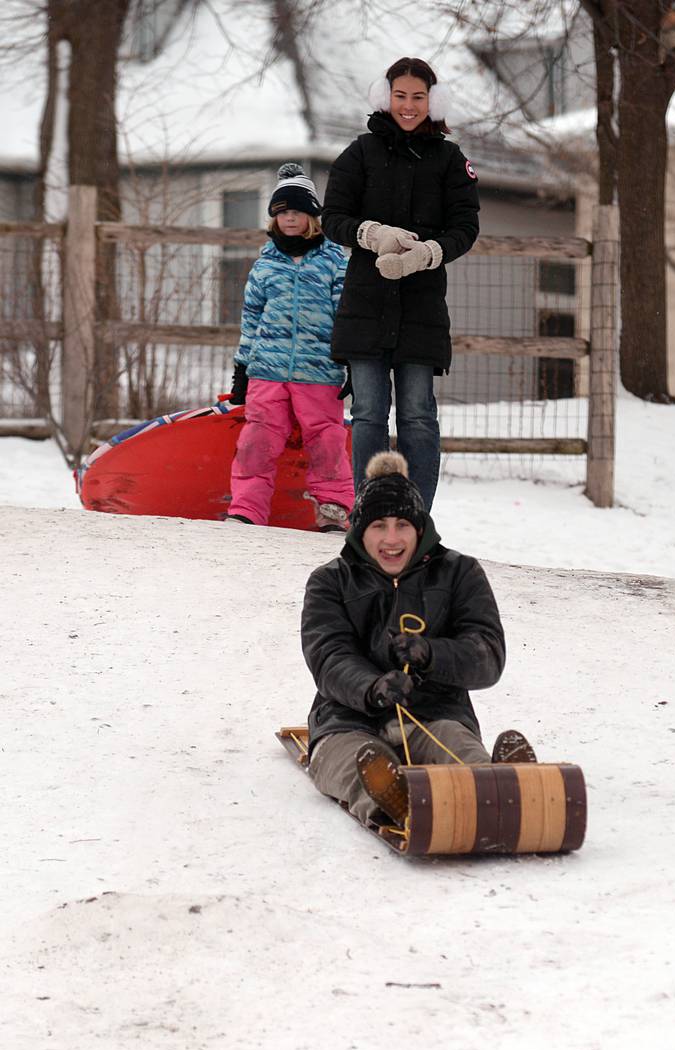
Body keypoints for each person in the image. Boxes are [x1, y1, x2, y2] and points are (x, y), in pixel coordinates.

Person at [300, 450, 536, 827]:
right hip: (349, 718)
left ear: (420, 530)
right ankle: (399, 803)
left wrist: (431, 654)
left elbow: (487, 654)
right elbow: (329, 657)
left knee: (458, 750)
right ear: (360, 530)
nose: (391, 539)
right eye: (379, 525)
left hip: (435, 713)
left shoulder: (460, 573)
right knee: (355, 763)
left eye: (402, 525)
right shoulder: (331, 582)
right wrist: (373, 687)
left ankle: (503, 788)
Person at [321, 56, 480, 513]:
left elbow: (465, 226)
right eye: (400, 95)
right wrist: (372, 234)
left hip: (422, 310)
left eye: (418, 96)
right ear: (385, 97)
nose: (408, 106)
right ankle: (369, 512)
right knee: (369, 414)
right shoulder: (359, 153)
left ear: (433, 101)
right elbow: (332, 217)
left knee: (417, 415)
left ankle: (416, 516)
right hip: (365, 308)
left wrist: (429, 253)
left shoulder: (450, 159)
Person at [227, 163, 354, 531]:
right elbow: (251, 320)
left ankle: (332, 509)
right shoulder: (265, 265)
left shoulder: (334, 261)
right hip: (267, 370)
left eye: (297, 211)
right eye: (282, 212)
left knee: (327, 440)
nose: (290, 218)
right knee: (257, 439)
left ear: (313, 215)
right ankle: (246, 509)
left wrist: (349, 363)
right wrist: (242, 368)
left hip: (319, 372)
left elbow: (343, 314)